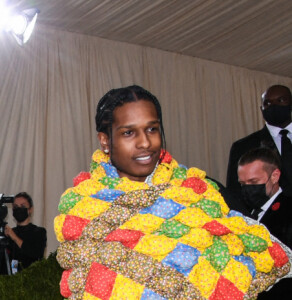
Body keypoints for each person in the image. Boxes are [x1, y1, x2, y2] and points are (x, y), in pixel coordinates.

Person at [54, 85, 291, 300]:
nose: (145, 142)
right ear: (105, 141)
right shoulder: (84, 205)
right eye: (129, 133)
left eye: (152, 129)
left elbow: (253, 247)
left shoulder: (198, 190)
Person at [227, 85, 292, 197]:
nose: (273, 105)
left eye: (281, 100)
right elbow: (235, 193)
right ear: (261, 109)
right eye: (267, 103)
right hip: (269, 213)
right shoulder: (243, 146)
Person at [237, 147, 292, 249]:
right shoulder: (240, 211)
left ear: (274, 176)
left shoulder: (288, 210)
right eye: (243, 184)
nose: (248, 188)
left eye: (254, 182)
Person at [5, 192, 47, 272]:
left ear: (30, 210)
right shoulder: (9, 233)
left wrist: (14, 237)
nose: (19, 209)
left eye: (23, 206)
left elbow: (36, 254)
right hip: (11, 280)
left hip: (31, 279)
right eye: (16, 207)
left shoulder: (39, 232)